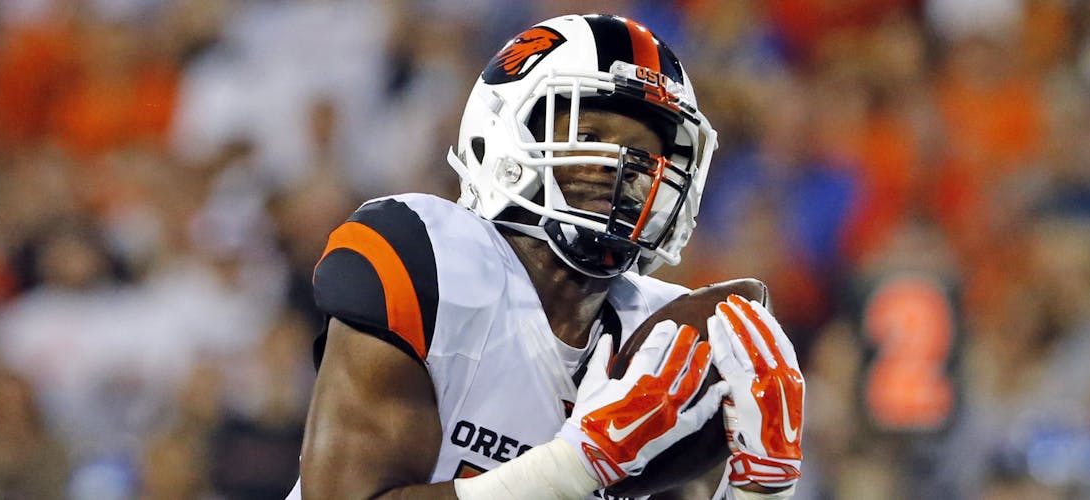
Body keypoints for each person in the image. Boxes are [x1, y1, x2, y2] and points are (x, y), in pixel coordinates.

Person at [289, 14, 804, 499]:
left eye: (643, 153)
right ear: (506, 132)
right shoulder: (428, 258)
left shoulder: (667, 337)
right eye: (589, 137)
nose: (619, 165)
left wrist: (758, 490)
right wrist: (575, 467)